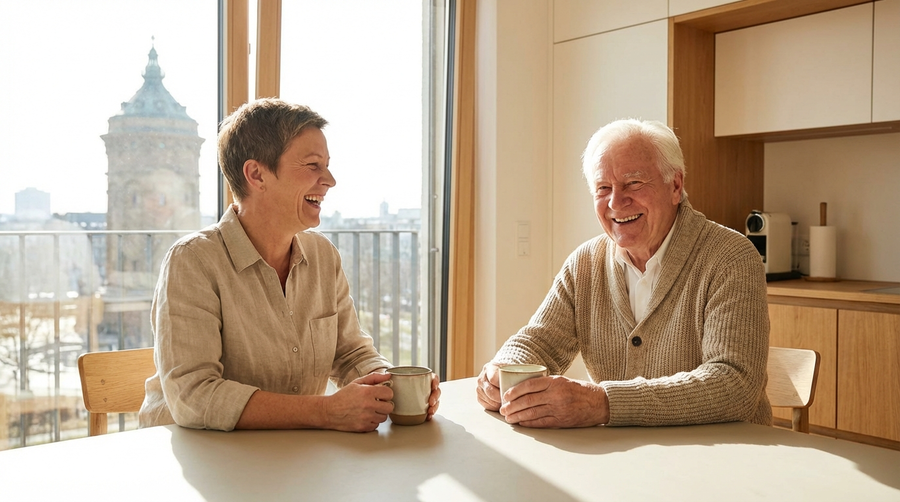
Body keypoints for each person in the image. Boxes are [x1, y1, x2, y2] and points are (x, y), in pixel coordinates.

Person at [139, 98, 440, 432]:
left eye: (326, 165)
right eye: (313, 165)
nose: (329, 180)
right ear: (257, 174)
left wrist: (393, 387)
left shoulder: (323, 256)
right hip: (202, 460)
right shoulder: (192, 261)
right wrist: (325, 412)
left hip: (295, 457)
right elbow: (194, 396)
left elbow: (351, 354)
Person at [475, 118, 771, 428]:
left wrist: (603, 403)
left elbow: (734, 385)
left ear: (675, 186)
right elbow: (537, 343)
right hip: (626, 461)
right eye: (603, 188)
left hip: (726, 459)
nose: (616, 202)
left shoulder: (730, 257)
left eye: (633, 183)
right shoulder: (585, 263)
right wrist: (502, 371)